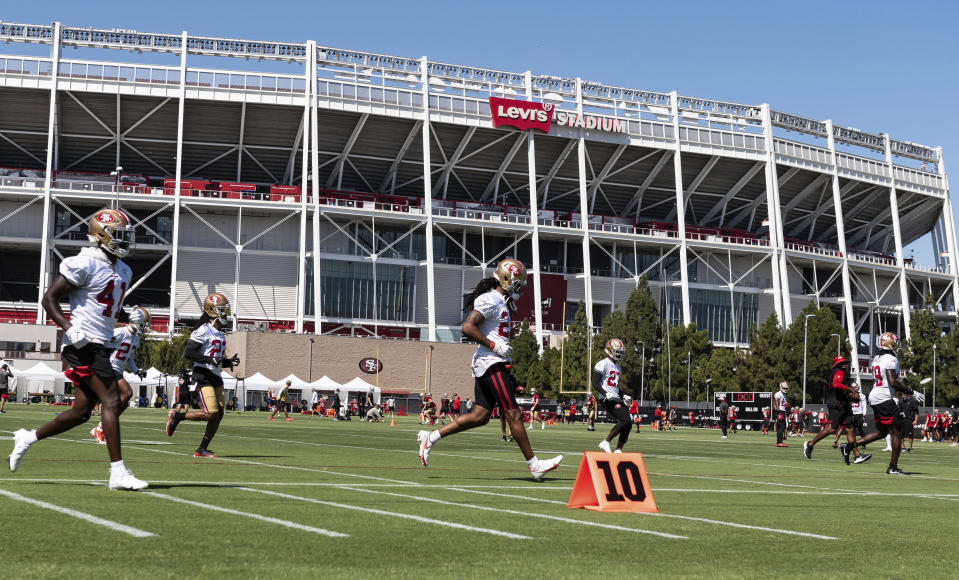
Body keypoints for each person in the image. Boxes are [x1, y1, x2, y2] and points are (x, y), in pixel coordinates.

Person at [8, 208, 147, 490]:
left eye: (125, 236)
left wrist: (125, 319)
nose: (123, 241)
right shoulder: (84, 262)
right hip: (81, 344)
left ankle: (28, 437)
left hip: (100, 344)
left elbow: (104, 311)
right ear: (100, 235)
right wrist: (68, 328)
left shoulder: (123, 269)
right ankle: (117, 472)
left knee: (82, 412)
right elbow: (49, 299)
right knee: (112, 400)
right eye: (118, 235)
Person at [416, 259, 562, 480]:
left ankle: (431, 437)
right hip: (489, 362)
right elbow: (467, 327)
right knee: (512, 413)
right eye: (518, 284)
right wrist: (494, 345)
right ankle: (534, 465)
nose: (520, 289)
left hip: (492, 363)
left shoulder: (501, 301)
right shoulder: (490, 299)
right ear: (506, 279)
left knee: (480, 416)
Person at [164, 292, 240, 458]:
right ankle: (178, 416)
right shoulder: (203, 330)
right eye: (222, 310)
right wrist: (208, 359)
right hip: (203, 375)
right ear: (212, 311)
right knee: (210, 413)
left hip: (215, 375)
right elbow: (189, 352)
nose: (225, 313)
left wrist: (228, 362)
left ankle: (202, 448)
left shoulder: (219, 333)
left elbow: (216, 360)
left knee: (218, 415)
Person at [839, 332, 924, 474]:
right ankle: (893, 467)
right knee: (897, 432)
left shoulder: (877, 358)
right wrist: (912, 392)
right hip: (883, 397)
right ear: (891, 343)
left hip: (875, 395)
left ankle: (848, 447)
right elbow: (892, 381)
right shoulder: (890, 358)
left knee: (882, 432)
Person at [90, 307, 151, 444]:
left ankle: (104, 425)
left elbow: (129, 359)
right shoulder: (120, 332)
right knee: (127, 393)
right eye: (143, 324)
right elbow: (103, 345)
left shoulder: (136, 340)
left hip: (118, 371)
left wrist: (137, 371)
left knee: (123, 401)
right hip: (110, 369)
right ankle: (101, 427)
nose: (144, 328)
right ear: (135, 322)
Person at [803, 356, 870, 464]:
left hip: (843, 403)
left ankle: (856, 455)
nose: (844, 363)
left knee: (850, 428)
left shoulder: (842, 372)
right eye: (842, 362)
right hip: (837, 404)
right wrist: (850, 390)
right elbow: (836, 384)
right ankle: (810, 445)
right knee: (830, 429)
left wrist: (850, 395)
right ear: (837, 364)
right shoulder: (839, 372)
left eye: (845, 362)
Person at [592, 338, 633, 454]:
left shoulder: (617, 367)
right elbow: (594, 383)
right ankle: (606, 441)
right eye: (617, 352)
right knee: (625, 419)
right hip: (606, 399)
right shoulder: (602, 364)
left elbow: (615, 387)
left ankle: (618, 449)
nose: (619, 355)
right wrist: (605, 393)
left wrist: (623, 395)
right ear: (610, 350)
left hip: (615, 397)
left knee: (628, 423)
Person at [774, 381, 789, 447]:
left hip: (783, 411)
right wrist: (778, 413)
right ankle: (779, 442)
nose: (785, 389)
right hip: (779, 411)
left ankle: (780, 441)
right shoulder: (778, 394)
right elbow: (776, 403)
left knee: (783, 427)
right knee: (780, 428)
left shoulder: (784, 395)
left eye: (786, 388)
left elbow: (784, 404)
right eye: (784, 388)